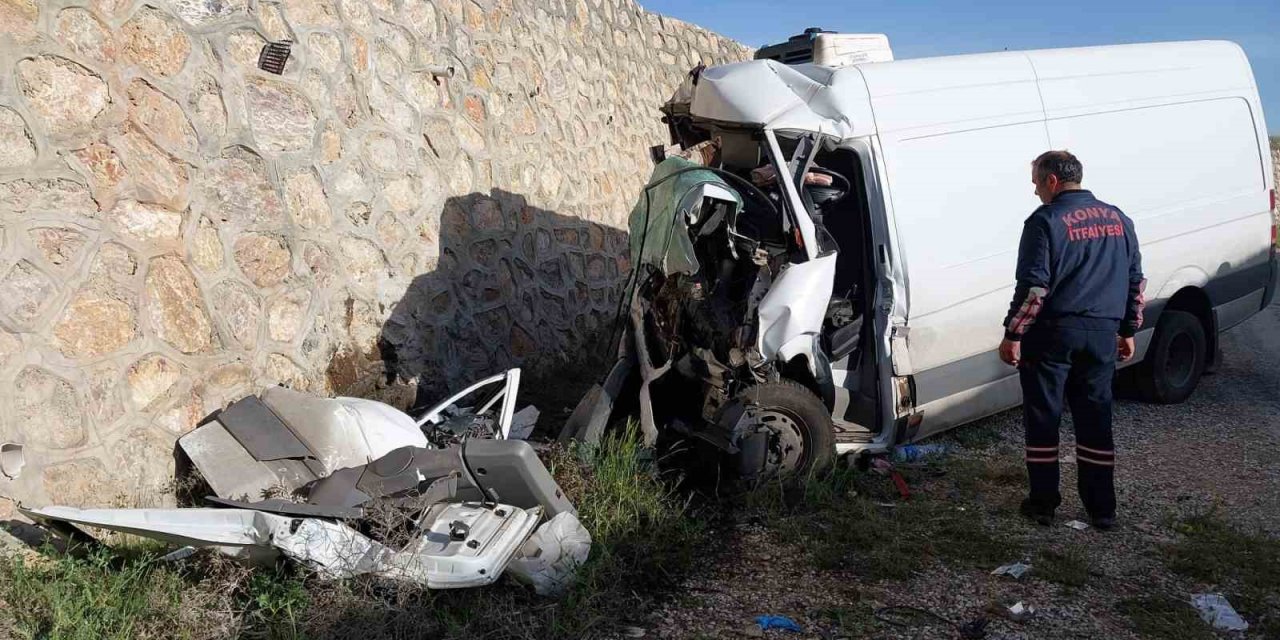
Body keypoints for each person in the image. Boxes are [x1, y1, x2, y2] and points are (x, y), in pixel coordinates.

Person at [998, 150, 1145, 530]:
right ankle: (1102, 510)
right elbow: (1135, 282)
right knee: (1095, 418)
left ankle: (1043, 504)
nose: (1034, 191)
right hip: (1101, 335)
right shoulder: (1119, 219)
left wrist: (1013, 333)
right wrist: (1128, 329)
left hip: (1053, 335)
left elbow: (1034, 287)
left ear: (1051, 181)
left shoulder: (1045, 221)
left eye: (1035, 182)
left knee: (1044, 417)